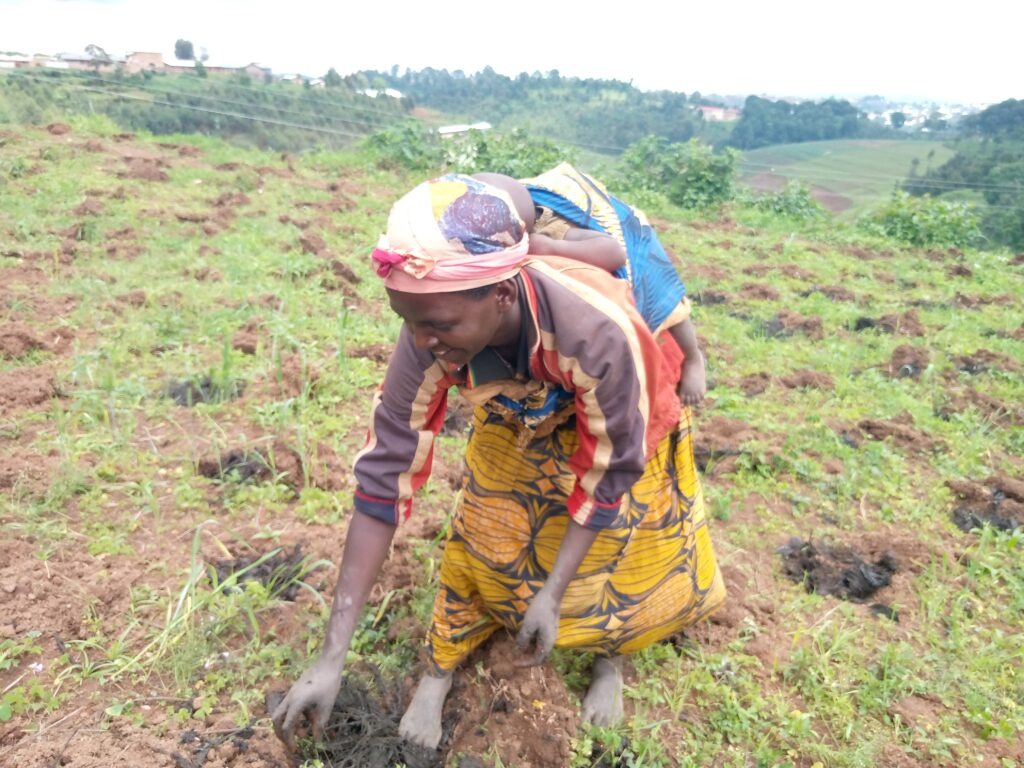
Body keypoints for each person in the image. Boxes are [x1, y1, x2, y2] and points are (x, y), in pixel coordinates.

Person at [271, 174, 726, 752]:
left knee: (625, 542)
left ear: (503, 295)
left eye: (437, 325)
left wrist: (553, 593)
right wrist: (331, 656)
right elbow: (385, 476)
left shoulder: (598, 330)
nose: (420, 340)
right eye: (408, 321)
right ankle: (440, 670)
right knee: (487, 525)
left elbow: (610, 471)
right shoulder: (433, 335)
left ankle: (610, 658)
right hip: (514, 398)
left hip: (620, 395)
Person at [474, 165, 707, 406]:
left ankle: (692, 357)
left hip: (610, 239)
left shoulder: (550, 228)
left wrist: (551, 248)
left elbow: (614, 252)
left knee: (660, 287)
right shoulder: (458, 243)